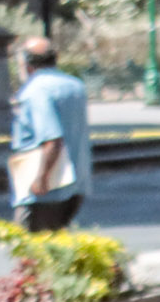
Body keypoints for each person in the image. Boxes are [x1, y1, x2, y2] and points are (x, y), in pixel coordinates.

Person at [7, 36, 95, 232]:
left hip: (44, 189)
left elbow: (52, 140)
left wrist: (41, 177)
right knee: (56, 247)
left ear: (26, 64)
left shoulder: (35, 91)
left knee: (28, 251)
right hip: (76, 184)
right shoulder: (75, 86)